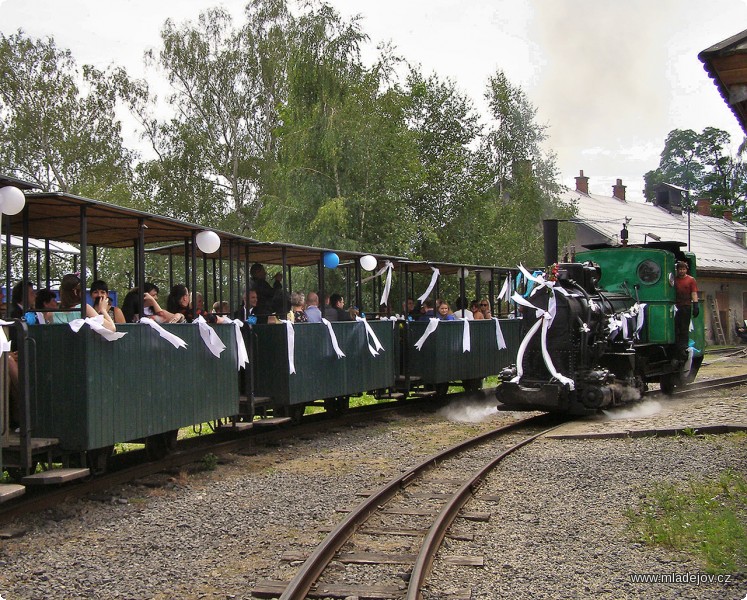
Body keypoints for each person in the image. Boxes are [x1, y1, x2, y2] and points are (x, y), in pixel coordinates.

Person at [674, 260, 699, 359]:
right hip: (676, 306)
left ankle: (684, 346)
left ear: (686, 270)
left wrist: (695, 304)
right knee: (676, 326)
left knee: (684, 327)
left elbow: (693, 292)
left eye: (683, 269)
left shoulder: (691, 280)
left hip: (686, 305)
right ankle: (676, 346)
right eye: (680, 269)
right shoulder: (675, 280)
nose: (681, 271)